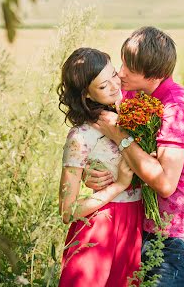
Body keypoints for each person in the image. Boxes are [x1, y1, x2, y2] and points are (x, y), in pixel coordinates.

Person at [91, 26, 184, 287]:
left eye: (129, 68)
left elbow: (165, 184)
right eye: (122, 63)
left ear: (154, 74)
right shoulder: (135, 96)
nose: (120, 74)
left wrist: (120, 136)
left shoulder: (178, 108)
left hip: (178, 239)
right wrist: (95, 172)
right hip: (143, 228)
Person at [57, 47, 143, 287]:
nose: (116, 87)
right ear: (87, 96)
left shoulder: (134, 117)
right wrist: (119, 185)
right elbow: (67, 211)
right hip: (100, 230)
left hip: (134, 225)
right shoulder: (81, 136)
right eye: (104, 86)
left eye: (114, 75)